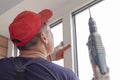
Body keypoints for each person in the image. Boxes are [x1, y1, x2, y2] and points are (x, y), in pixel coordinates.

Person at [0, 9, 79, 80]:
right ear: (44, 38)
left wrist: (49, 58)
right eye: (50, 31)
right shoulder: (65, 76)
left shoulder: (2, 66)